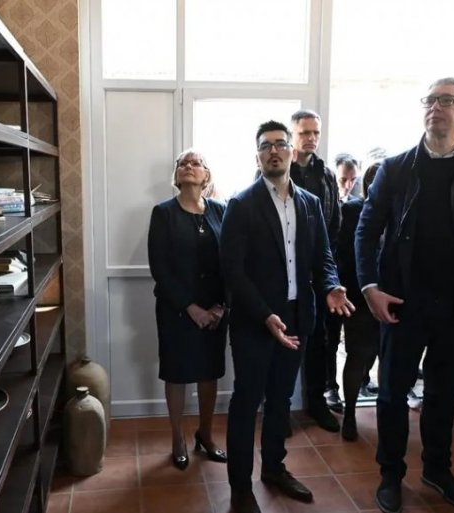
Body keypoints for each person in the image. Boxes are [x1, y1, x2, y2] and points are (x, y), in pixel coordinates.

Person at [355, 77, 454, 513]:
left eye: (447, 100)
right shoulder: (395, 168)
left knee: (444, 394)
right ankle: (390, 474)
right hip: (401, 302)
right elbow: (365, 232)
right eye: (430, 100)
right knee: (392, 394)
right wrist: (369, 287)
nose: (436, 107)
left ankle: (437, 469)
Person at [221, 120, 354, 513]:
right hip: (254, 322)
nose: (274, 151)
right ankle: (240, 488)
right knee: (247, 402)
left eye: (281, 144)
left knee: (281, 399)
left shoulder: (310, 203)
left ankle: (274, 469)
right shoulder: (241, 204)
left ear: (292, 153)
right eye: (266, 146)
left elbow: (322, 257)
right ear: (257, 157)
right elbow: (233, 272)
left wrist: (331, 285)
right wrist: (265, 315)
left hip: (298, 318)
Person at [147, 149, 228, 471]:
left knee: (209, 372)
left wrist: (221, 307)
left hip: (215, 310)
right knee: (177, 372)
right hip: (176, 309)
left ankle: (205, 434)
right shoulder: (163, 213)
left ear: (206, 175)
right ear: (177, 174)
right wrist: (191, 308)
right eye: (183, 163)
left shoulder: (221, 210)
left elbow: (232, 262)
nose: (188, 166)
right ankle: (177, 437)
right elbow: (160, 268)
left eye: (196, 163)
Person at [287, 109, 344, 432]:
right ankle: (279, 409)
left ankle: (317, 403)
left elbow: (334, 224)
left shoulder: (326, 174)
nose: (311, 138)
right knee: (285, 340)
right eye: (304, 132)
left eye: (315, 133)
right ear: (293, 135)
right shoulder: (279, 169)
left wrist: (327, 272)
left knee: (320, 342)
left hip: (318, 274)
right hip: (285, 274)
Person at [331, 161, 381, 440]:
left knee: (384, 355)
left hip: (395, 295)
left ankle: (385, 407)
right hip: (359, 294)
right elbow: (344, 254)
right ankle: (350, 413)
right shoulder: (352, 209)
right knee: (357, 354)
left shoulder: (403, 210)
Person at [325, 153, 362, 414]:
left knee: (356, 340)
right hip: (333, 281)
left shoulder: (357, 205)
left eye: (352, 180)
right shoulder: (328, 204)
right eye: (343, 179)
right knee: (330, 338)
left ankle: (361, 382)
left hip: (354, 282)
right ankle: (330, 386)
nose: (348, 185)